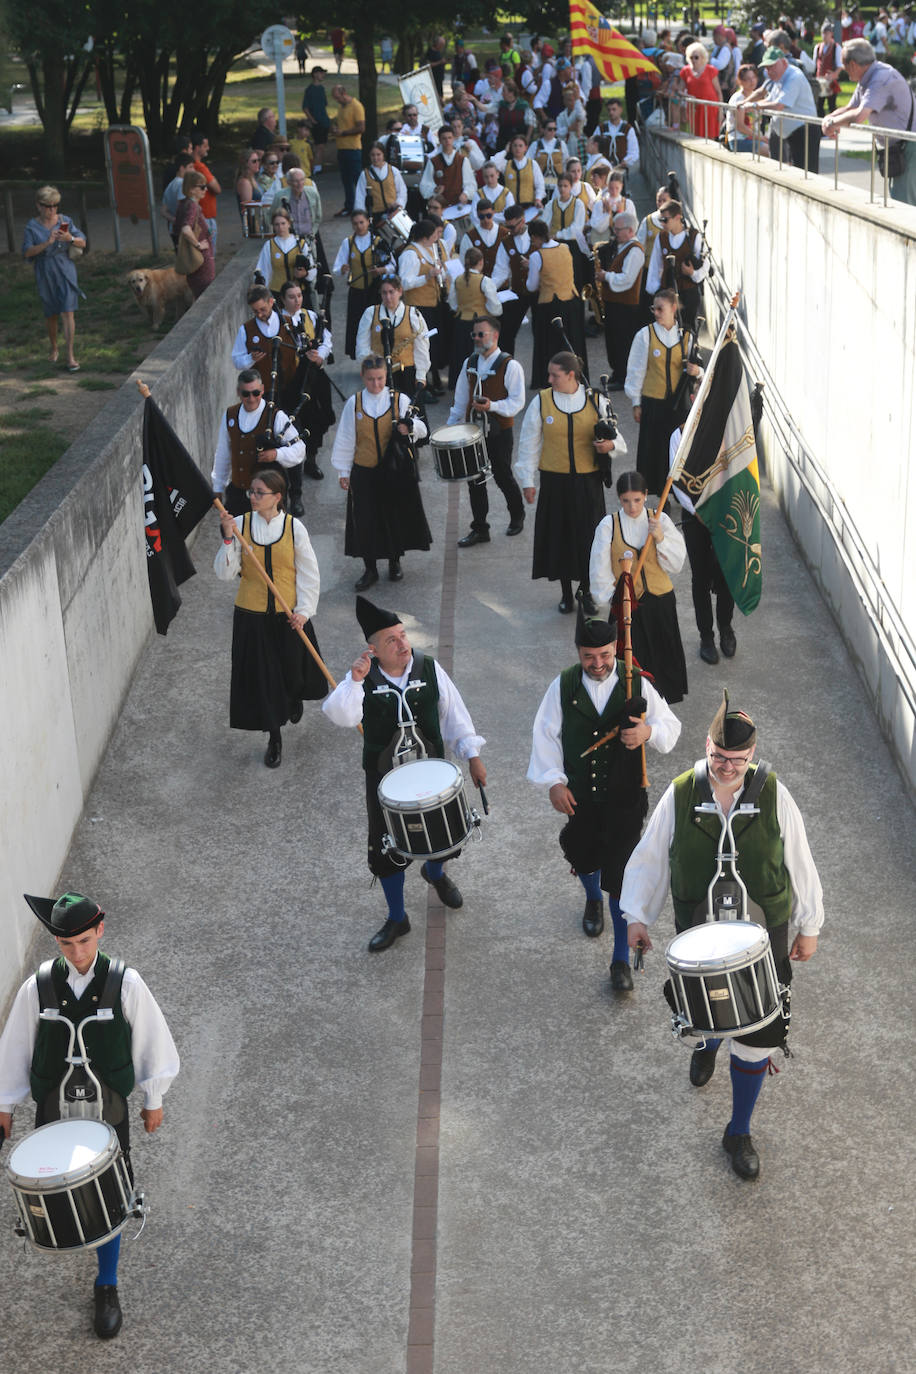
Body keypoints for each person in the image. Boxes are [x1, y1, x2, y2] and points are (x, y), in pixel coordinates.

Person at [621, 692, 823, 1181]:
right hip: (701, 937)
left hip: (762, 940)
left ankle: (738, 1130)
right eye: (718, 755)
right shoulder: (682, 791)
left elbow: (799, 858)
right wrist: (637, 916)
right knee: (709, 1012)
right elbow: (650, 856)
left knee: (756, 1036)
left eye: (736, 759)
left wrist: (809, 925)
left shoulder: (774, 792)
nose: (726, 766)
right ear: (706, 744)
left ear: (751, 755)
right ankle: (708, 1042)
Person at [0, 891, 179, 1338]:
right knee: (59, 1183)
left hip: (109, 1106)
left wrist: (153, 1097)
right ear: (55, 942)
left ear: (99, 930)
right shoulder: (38, 986)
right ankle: (69, 1233)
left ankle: (107, 1282)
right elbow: (16, 1045)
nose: (77, 953)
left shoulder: (126, 983)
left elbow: (153, 1039)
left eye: (83, 940)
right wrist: (4, 1104)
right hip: (53, 1103)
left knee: (109, 1190)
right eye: (66, 944)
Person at [322, 596, 487, 951]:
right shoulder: (363, 679)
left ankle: (435, 873)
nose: (402, 645)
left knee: (443, 836)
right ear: (373, 650)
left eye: (403, 635)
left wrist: (472, 756)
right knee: (387, 850)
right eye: (391, 640)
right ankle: (398, 917)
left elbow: (455, 713)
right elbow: (341, 716)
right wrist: (352, 681)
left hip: (433, 774)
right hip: (384, 780)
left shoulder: (428, 668)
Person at [528, 610, 681, 987]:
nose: (598, 665)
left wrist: (646, 732)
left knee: (620, 876)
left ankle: (619, 963)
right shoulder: (562, 686)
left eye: (605, 655)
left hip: (625, 798)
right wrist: (553, 782)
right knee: (584, 856)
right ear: (579, 653)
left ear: (615, 649)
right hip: (579, 794)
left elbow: (670, 726)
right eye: (589, 657)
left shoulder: (635, 682)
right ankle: (591, 896)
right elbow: (545, 736)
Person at [215, 468, 325, 767]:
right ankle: (274, 737)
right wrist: (227, 539)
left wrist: (303, 612)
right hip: (251, 618)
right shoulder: (238, 525)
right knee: (263, 681)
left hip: (288, 617)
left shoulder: (294, 529)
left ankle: (293, 698)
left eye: (259, 493)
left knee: (291, 672)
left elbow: (309, 573)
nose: (252, 496)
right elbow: (224, 575)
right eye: (251, 491)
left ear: (277, 497)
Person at [515, 351, 625, 615]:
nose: (549, 378)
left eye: (555, 374)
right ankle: (566, 592)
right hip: (555, 482)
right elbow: (528, 443)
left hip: (588, 483)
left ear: (571, 375)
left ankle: (586, 590)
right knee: (559, 537)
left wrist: (608, 445)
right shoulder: (541, 402)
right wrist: (527, 481)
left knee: (590, 538)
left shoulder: (596, 399)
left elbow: (618, 440)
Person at [330, 355, 431, 590]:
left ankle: (395, 562)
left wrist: (410, 427)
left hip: (394, 471)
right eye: (370, 379)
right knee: (365, 520)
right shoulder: (353, 404)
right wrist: (343, 472)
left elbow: (423, 429)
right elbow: (346, 439)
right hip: (364, 471)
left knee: (393, 516)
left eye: (380, 379)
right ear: (363, 378)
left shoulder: (400, 400)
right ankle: (370, 569)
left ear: (386, 377)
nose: (375, 384)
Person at [589, 470, 688, 703]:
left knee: (663, 662)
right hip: (627, 607)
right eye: (626, 501)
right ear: (619, 499)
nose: (632, 507)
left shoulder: (659, 519)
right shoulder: (608, 526)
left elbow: (676, 564)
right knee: (632, 665)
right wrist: (614, 602)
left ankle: (661, 712)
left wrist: (661, 538)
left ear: (645, 495)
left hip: (660, 603)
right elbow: (599, 570)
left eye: (637, 500)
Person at [447, 314, 526, 545]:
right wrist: (452, 426)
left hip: (499, 430)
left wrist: (493, 406)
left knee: (502, 476)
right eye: (475, 334)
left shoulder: (510, 365)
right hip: (473, 431)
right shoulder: (469, 362)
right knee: (475, 480)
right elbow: (461, 398)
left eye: (482, 334)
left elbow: (517, 402)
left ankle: (517, 516)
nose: (477, 338)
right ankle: (480, 528)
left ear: (495, 335)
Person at [668, 424, 736, 665]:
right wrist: (696, 510)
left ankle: (726, 627)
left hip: (725, 512)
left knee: (727, 573)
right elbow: (676, 479)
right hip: (694, 516)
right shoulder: (680, 434)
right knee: (700, 577)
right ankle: (706, 636)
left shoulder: (728, 426)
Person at [625, 288, 700, 501]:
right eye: (654, 308)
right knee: (654, 452)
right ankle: (661, 496)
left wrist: (697, 371)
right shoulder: (645, 335)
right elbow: (636, 370)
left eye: (660, 308)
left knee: (678, 452)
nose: (656, 313)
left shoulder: (687, 336)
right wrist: (636, 402)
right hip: (654, 403)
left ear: (673, 309)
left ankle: (680, 493)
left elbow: (700, 369)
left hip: (679, 405)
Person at [822, 38, 916, 204]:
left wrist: (833, 123)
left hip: (909, 146)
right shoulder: (869, 77)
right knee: (900, 199)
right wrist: (830, 118)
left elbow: (859, 116)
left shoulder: (880, 78)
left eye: (843, 64)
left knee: (904, 204)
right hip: (900, 146)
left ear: (852, 64)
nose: (843, 69)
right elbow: (851, 107)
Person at [211, 367, 306, 517]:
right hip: (238, 492)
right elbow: (223, 451)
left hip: (267, 498)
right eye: (245, 394)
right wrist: (218, 486)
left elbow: (300, 448)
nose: (251, 398)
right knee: (234, 535)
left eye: (255, 393)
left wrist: (276, 454)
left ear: (262, 390)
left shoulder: (276, 416)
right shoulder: (230, 415)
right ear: (238, 392)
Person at [22, 185, 86, 371]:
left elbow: (83, 241)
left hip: (65, 269)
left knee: (68, 311)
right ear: (38, 206)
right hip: (45, 271)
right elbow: (27, 252)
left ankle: (71, 357)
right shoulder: (31, 227)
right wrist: (47, 242)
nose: (52, 210)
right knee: (51, 314)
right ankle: (54, 347)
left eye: (55, 205)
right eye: (48, 206)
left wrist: (70, 239)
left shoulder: (65, 221)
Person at [277, 279, 334, 490]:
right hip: (293, 380)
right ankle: (295, 464)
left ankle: (311, 457)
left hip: (315, 377)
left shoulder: (310, 316)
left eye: (299, 295)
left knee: (322, 415)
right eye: (291, 297)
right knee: (297, 420)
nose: (297, 300)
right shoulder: (278, 321)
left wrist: (320, 356)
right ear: (282, 299)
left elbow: (327, 340)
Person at [525, 219, 586, 389]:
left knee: (551, 345)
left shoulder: (537, 256)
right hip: (571, 300)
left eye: (532, 240)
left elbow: (531, 285)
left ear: (536, 237)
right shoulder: (565, 248)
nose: (532, 243)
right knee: (572, 342)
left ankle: (549, 379)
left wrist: (529, 267)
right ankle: (576, 375)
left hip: (550, 305)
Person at [741, 47, 819, 169]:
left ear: (783, 62)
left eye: (772, 66)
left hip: (804, 131)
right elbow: (768, 98)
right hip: (787, 132)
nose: (769, 71)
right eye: (767, 67)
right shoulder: (778, 77)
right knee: (784, 171)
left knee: (805, 174)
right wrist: (745, 104)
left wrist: (754, 105)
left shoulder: (794, 77)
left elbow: (778, 105)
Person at [355, 275, 431, 396]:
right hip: (380, 374)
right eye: (384, 293)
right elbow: (361, 345)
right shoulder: (370, 313)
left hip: (407, 373)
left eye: (391, 292)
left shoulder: (412, 314)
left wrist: (421, 375)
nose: (388, 297)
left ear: (400, 291)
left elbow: (422, 346)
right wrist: (371, 368)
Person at [399, 219, 451, 396]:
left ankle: (434, 378)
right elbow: (404, 283)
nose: (437, 238)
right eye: (434, 235)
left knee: (433, 344)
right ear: (425, 237)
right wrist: (426, 277)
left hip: (432, 304)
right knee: (422, 345)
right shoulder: (410, 254)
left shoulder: (430, 249)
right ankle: (424, 384)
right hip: (419, 306)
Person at [596, 211, 645, 389]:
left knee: (622, 342)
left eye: (618, 229)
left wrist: (606, 276)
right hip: (615, 303)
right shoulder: (623, 247)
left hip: (625, 305)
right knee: (613, 341)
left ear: (630, 230)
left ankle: (623, 377)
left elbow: (626, 279)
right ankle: (617, 374)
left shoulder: (635, 250)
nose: (614, 232)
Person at [644, 199, 708, 333]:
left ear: (677, 217)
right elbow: (655, 266)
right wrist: (656, 291)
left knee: (688, 331)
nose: (662, 223)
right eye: (660, 220)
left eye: (665, 220)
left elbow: (705, 265)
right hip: (669, 294)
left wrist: (692, 273)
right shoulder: (661, 237)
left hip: (689, 293)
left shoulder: (693, 237)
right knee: (668, 332)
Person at [447, 246, 502, 387]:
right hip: (479, 323)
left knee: (460, 355)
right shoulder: (484, 281)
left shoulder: (457, 280)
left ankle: (458, 384)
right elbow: (495, 308)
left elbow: (452, 302)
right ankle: (480, 383)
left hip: (461, 321)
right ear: (481, 262)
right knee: (479, 356)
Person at [335, 209, 386, 358]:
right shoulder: (348, 243)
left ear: (368, 222)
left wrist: (381, 269)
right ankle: (361, 357)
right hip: (356, 291)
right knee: (358, 326)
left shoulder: (377, 241)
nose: (359, 226)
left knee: (375, 325)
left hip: (374, 292)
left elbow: (392, 265)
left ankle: (378, 354)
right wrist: (343, 269)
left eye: (361, 222)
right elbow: (337, 267)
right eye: (355, 223)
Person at [255, 208, 317, 298]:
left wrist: (305, 274)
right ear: (273, 226)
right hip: (278, 293)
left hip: (298, 293)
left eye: (283, 223)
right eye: (277, 224)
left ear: (289, 223)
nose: (280, 227)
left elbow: (312, 268)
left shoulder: (300, 243)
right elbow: (264, 270)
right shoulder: (269, 245)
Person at [173, 170, 214, 299]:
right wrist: (198, 245)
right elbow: (185, 229)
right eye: (202, 187)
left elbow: (175, 228)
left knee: (198, 293)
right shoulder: (193, 206)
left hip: (192, 259)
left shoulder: (183, 203)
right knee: (205, 295)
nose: (206, 189)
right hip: (200, 259)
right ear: (191, 189)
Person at [419, 126, 478, 207]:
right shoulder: (433, 161)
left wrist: (466, 194)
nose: (447, 141)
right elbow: (424, 185)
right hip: (440, 207)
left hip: (459, 206)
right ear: (439, 140)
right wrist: (434, 190)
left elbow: (471, 184)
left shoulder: (463, 160)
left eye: (449, 138)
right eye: (444, 138)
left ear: (453, 139)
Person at [331, 84, 366, 217]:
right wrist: (335, 130)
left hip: (353, 148)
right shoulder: (341, 107)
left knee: (356, 179)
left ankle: (361, 207)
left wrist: (343, 133)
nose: (337, 100)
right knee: (345, 180)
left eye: (338, 97)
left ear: (344, 92)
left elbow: (361, 128)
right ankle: (349, 206)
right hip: (342, 148)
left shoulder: (356, 106)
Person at [354, 142, 408, 220]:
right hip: (374, 215)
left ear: (383, 155)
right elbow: (360, 196)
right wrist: (361, 216)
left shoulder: (393, 171)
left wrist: (399, 205)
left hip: (393, 214)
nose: (375, 158)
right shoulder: (365, 174)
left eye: (378, 154)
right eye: (373, 155)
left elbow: (402, 191)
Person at [190, 131, 221, 247]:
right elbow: (217, 188)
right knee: (209, 255)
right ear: (197, 148)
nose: (208, 148)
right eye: (205, 146)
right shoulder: (200, 167)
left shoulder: (193, 166)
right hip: (206, 216)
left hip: (202, 215)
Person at [592, 97, 640, 169]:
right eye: (609, 110)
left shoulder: (628, 129)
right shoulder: (601, 128)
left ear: (620, 110)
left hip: (621, 168)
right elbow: (592, 147)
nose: (611, 112)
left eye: (614, 109)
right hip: (603, 169)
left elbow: (634, 151)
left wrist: (626, 161)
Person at [162, 151, 195, 242]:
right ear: (182, 168)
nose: (193, 170)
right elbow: (183, 207)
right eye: (191, 167)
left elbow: (163, 211)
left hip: (173, 230)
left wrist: (175, 220)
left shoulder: (170, 185)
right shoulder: (182, 185)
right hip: (185, 232)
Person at [303, 68, 330, 173]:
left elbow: (324, 105)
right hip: (317, 122)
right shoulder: (310, 90)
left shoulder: (322, 88)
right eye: (320, 73)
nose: (322, 75)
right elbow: (305, 107)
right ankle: (316, 168)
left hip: (324, 121)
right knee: (319, 146)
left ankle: (318, 166)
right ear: (315, 75)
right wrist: (312, 120)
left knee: (321, 146)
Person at [814, 22, 843, 115]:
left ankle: (834, 127)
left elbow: (840, 66)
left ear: (831, 34)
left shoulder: (836, 47)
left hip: (831, 82)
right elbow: (815, 64)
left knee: (832, 106)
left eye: (826, 33)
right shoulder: (817, 47)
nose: (824, 35)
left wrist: (833, 75)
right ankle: (820, 127)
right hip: (820, 80)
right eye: (823, 33)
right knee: (819, 106)